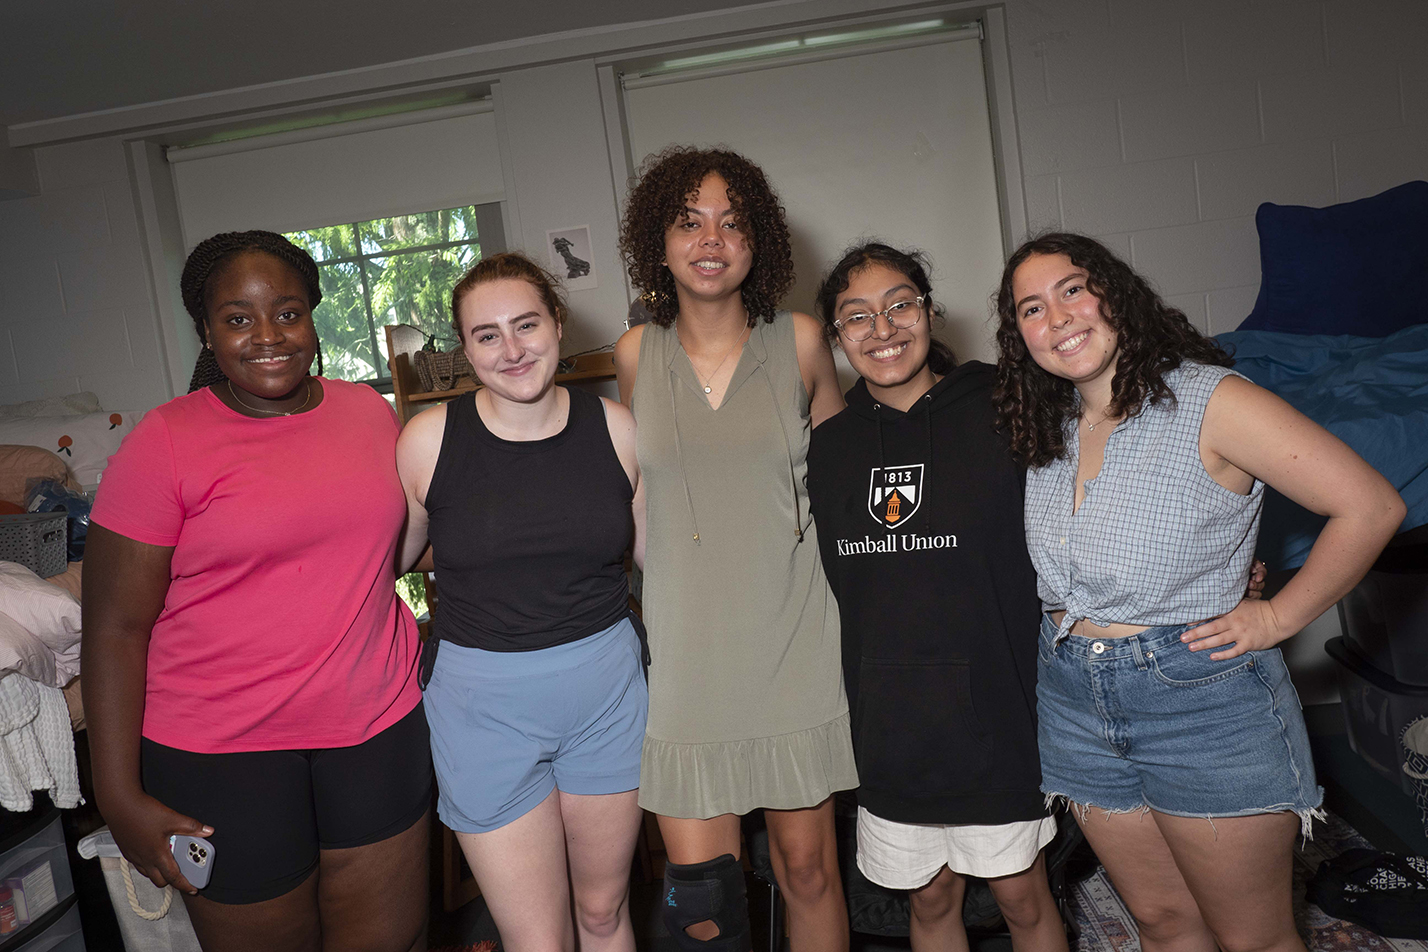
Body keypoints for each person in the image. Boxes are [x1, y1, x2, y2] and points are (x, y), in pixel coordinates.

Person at [995, 232, 1406, 952]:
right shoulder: (1049, 424)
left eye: (1072, 289)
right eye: (1031, 308)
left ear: (1114, 295)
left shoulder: (1210, 400)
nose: (1055, 317)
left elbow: (1369, 506)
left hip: (1201, 702)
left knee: (1252, 938)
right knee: (1161, 923)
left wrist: (1278, 614)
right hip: (1072, 699)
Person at [83, 231, 430, 952]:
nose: (268, 336)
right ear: (207, 331)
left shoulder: (367, 411)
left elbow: (387, 552)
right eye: (238, 318)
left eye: (288, 312)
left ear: (313, 316)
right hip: (220, 755)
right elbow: (115, 628)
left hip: (375, 727)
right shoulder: (165, 441)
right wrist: (117, 796)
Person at [614, 146, 859, 952]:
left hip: (794, 645)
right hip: (689, 661)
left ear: (759, 244)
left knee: (811, 872)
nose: (711, 238)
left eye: (732, 221)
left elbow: (850, 487)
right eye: (689, 221)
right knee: (707, 907)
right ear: (660, 242)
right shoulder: (631, 355)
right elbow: (638, 502)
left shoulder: (799, 341)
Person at [806, 242, 1067, 952]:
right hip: (891, 728)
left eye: (899, 306)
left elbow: (1081, 508)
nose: (882, 329)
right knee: (929, 902)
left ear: (928, 309)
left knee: (1023, 898)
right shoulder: (827, 452)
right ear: (835, 338)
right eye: (856, 317)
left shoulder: (1004, 404)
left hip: (997, 716)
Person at [395, 253, 647, 952]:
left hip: (608, 697)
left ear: (558, 324)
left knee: (602, 912)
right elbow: (396, 557)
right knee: (538, 941)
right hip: (483, 710)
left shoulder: (619, 430)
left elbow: (662, 565)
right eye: (486, 335)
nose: (512, 350)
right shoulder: (427, 440)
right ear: (465, 349)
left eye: (527, 324)